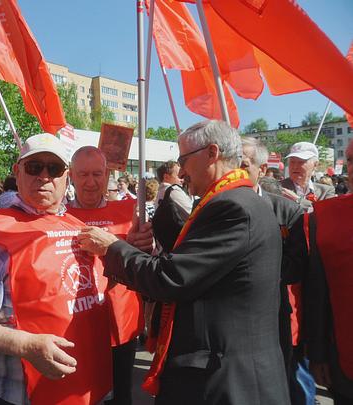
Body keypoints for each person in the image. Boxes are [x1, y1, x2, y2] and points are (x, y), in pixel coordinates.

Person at [78, 120, 289, 405]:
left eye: (183, 160)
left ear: (211, 153)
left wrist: (112, 248)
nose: (181, 171)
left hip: (225, 380)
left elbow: (172, 277)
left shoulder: (232, 207)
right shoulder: (235, 201)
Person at [0, 134, 113, 405]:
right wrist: (28, 347)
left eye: (54, 169)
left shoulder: (78, 228)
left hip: (83, 389)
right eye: (34, 167)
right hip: (19, 394)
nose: (44, 176)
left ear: (67, 177)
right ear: (18, 172)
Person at [67, 146, 144, 405]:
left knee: (121, 393)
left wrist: (148, 246)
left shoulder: (130, 211)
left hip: (121, 319)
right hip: (76, 322)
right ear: (71, 175)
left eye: (97, 174)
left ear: (107, 174)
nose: (91, 183)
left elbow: (146, 261)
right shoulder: (59, 215)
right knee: (80, 394)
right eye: (83, 174)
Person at [241, 137, 310, 404]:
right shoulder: (211, 208)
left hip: (272, 316)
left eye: (244, 165)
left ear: (262, 170)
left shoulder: (287, 210)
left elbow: (296, 267)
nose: (236, 170)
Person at [304, 138, 353, 405]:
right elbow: (317, 291)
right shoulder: (325, 217)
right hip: (344, 362)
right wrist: (319, 353)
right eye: (351, 159)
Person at [281, 142, 335, 211]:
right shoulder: (278, 188)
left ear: (315, 165)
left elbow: (327, 214)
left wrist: (298, 200)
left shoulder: (325, 191)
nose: (295, 166)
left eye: (301, 162)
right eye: (292, 162)